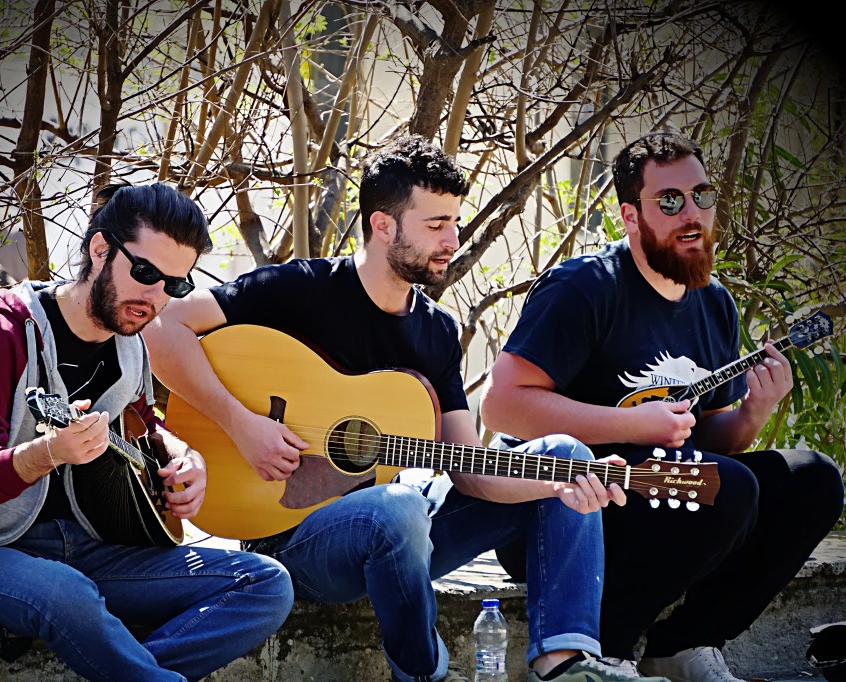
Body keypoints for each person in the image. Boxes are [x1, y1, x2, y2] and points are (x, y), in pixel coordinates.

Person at [144, 135, 667, 682]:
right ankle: (423, 675)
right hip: (292, 538)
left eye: (455, 222)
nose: (452, 239)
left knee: (565, 454)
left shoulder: (437, 332)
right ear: (383, 225)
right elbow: (163, 326)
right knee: (397, 506)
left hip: (401, 537)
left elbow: (471, 472)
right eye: (435, 224)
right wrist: (242, 424)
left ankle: (566, 663)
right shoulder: (298, 290)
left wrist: (559, 483)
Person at [479, 131, 845, 681]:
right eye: (669, 202)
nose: (692, 213)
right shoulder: (586, 287)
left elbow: (705, 439)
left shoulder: (713, 303)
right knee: (725, 486)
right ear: (631, 215)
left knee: (812, 480)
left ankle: (683, 644)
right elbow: (502, 406)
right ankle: (607, 650)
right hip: (566, 504)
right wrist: (629, 423)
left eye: (701, 196)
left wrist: (752, 413)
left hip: (659, 495)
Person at [0, 183, 294, 682]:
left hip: (88, 548)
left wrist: (180, 453)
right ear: (100, 248)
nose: (154, 298)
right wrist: (44, 453)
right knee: (67, 594)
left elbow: (141, 422)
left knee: (265, 584)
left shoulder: (130, 345)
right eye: (146, 273)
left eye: (173, 285)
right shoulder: (2, 331)